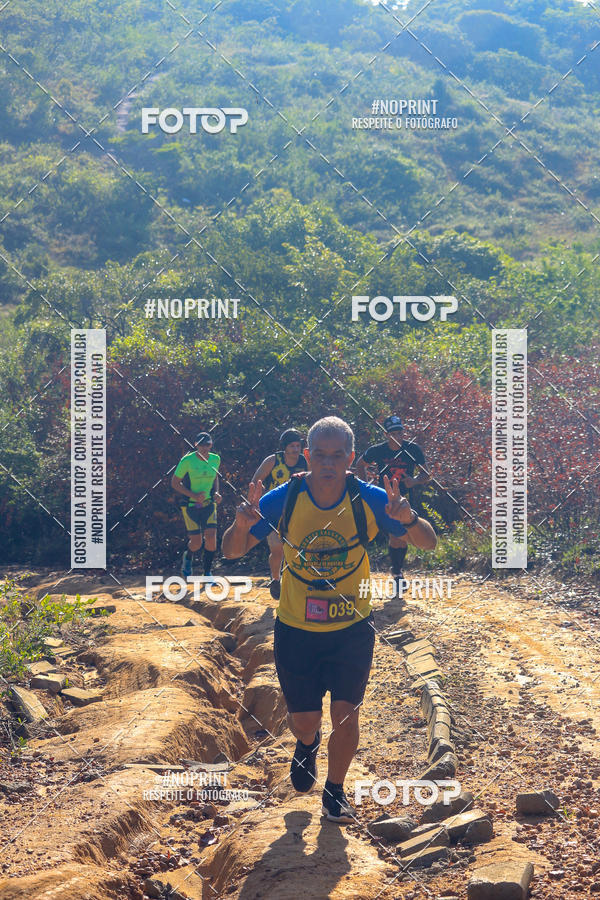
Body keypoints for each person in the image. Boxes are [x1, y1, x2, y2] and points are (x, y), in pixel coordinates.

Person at [222, 416, 436, 823]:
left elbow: (427, 542)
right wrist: (241, 523)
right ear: (307, 456)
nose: (328, 464)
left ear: (350, 459)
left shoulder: (372, 499)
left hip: (352, 627)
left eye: (337, 456)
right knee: (305, 720)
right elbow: (232, 551)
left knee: (347, 713)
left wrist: (408, 519)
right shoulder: (284, 497)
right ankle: (307, 744)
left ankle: (334, 792)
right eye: (319, 454)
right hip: (295, 628)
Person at [356, 415, 432, 591]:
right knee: (396, 535)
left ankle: (397, 571)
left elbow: (426, 473)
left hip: (405, 499)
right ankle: (397, 574)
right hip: (383, 499)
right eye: (393, 434)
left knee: (400, 536)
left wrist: (414, 481)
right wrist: (366, 487)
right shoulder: (378, 450)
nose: (397, 437)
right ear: (386, 434)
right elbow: (360, 464)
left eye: (399, 433)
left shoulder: (412, 449)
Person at [250, 428, 307, 600]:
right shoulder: (273, 460)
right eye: (291, 446)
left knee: (299, 548)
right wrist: (257, 502)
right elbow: (255, 481)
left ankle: (297, 582)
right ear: (284, 447)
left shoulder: (305, 461)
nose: (295, 449)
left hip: (298, 510)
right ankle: (275, 579)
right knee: (277, 549)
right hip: (273, 511)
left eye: (298, 445)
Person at [171, 432, 222, 582]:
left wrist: (217, 492)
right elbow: (174, 483)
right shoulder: (187, 461)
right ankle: (188, 557)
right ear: (196, 445)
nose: (204, 448)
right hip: (190, 505)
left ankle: (207, 573)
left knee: (212, 536)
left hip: (208, 503)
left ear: (211, 445)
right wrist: (193, 495)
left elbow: (215, 476)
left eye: (207, 444)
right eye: (201, 445)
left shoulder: (215, 459)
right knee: (196, 542)